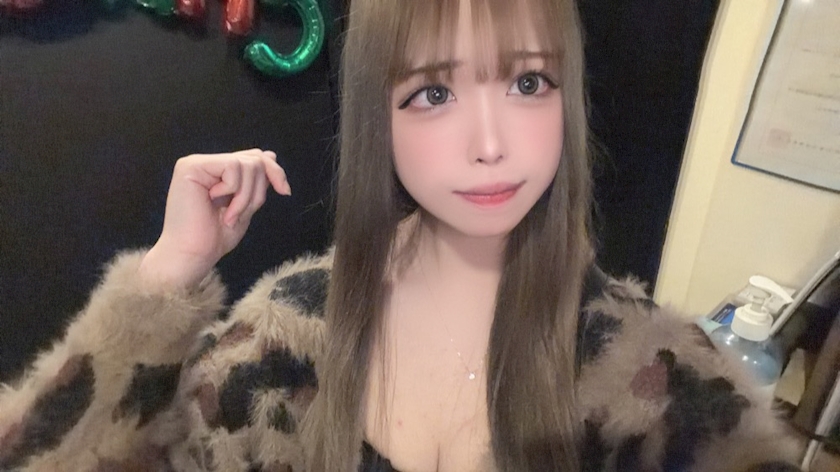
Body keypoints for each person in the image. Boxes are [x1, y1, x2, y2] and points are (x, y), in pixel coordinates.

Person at [0, 0, 801, 470]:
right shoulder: (280, 340)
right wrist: (167, 278)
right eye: (433, 94)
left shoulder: (664, 384)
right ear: (377, 118)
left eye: (528, 82)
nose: (490, 143)